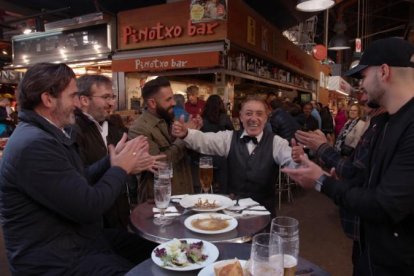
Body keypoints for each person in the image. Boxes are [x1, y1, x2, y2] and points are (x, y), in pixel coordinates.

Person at [0, 63, 163, 275]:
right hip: (52, 259)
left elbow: (78, 181)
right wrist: (120, 169)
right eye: (73, 96)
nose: (78, 104)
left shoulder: (47, 134)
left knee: (156, 251)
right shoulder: (34, 145)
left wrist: (110, 161)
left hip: (75, 241)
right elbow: (89, 206)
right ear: (48, 99)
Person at [282, 37, 414, 275]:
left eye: (363, 76)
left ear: (384, 72)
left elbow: (384, 206)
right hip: (369, 253)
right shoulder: (383, 123)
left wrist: (322, 181)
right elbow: (361, 177)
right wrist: (321, 172)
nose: (361, 86)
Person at [172, 95, 303, 216]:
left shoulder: (277, 142)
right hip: (233, 212)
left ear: (266, 118)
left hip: (263, 214)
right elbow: (205, 140)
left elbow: (292, 162)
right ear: (240, 117)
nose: (253, 118)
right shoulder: (229, 138)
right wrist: (186, 133)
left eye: (259, 114)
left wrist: (297, 160)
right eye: (248, 114)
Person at [75, 74, 132, 229]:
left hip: (120, 216)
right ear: (84, 100)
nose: (112, 103)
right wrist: (113, 163)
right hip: (95, 223)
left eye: (113, 97)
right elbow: (79, 178)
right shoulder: (74, 131)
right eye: (106, 97)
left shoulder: (114, 126)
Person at [128, 76, 193, 203]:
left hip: (184, 197)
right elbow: (159, 164)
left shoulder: (171, 119)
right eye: (168, 99)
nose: (174, 103)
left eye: (173, 97)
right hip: (158, 203)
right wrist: (183, 139)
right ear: (152, 103)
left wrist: (193, 134)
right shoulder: (138, 129)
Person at [200, 95, 233, 192]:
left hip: (204, 156)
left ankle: (206, 191)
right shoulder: (224, 118)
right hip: (220, 156)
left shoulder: (202, 118)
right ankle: (224, 193)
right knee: (226, 164)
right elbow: (232, 135)